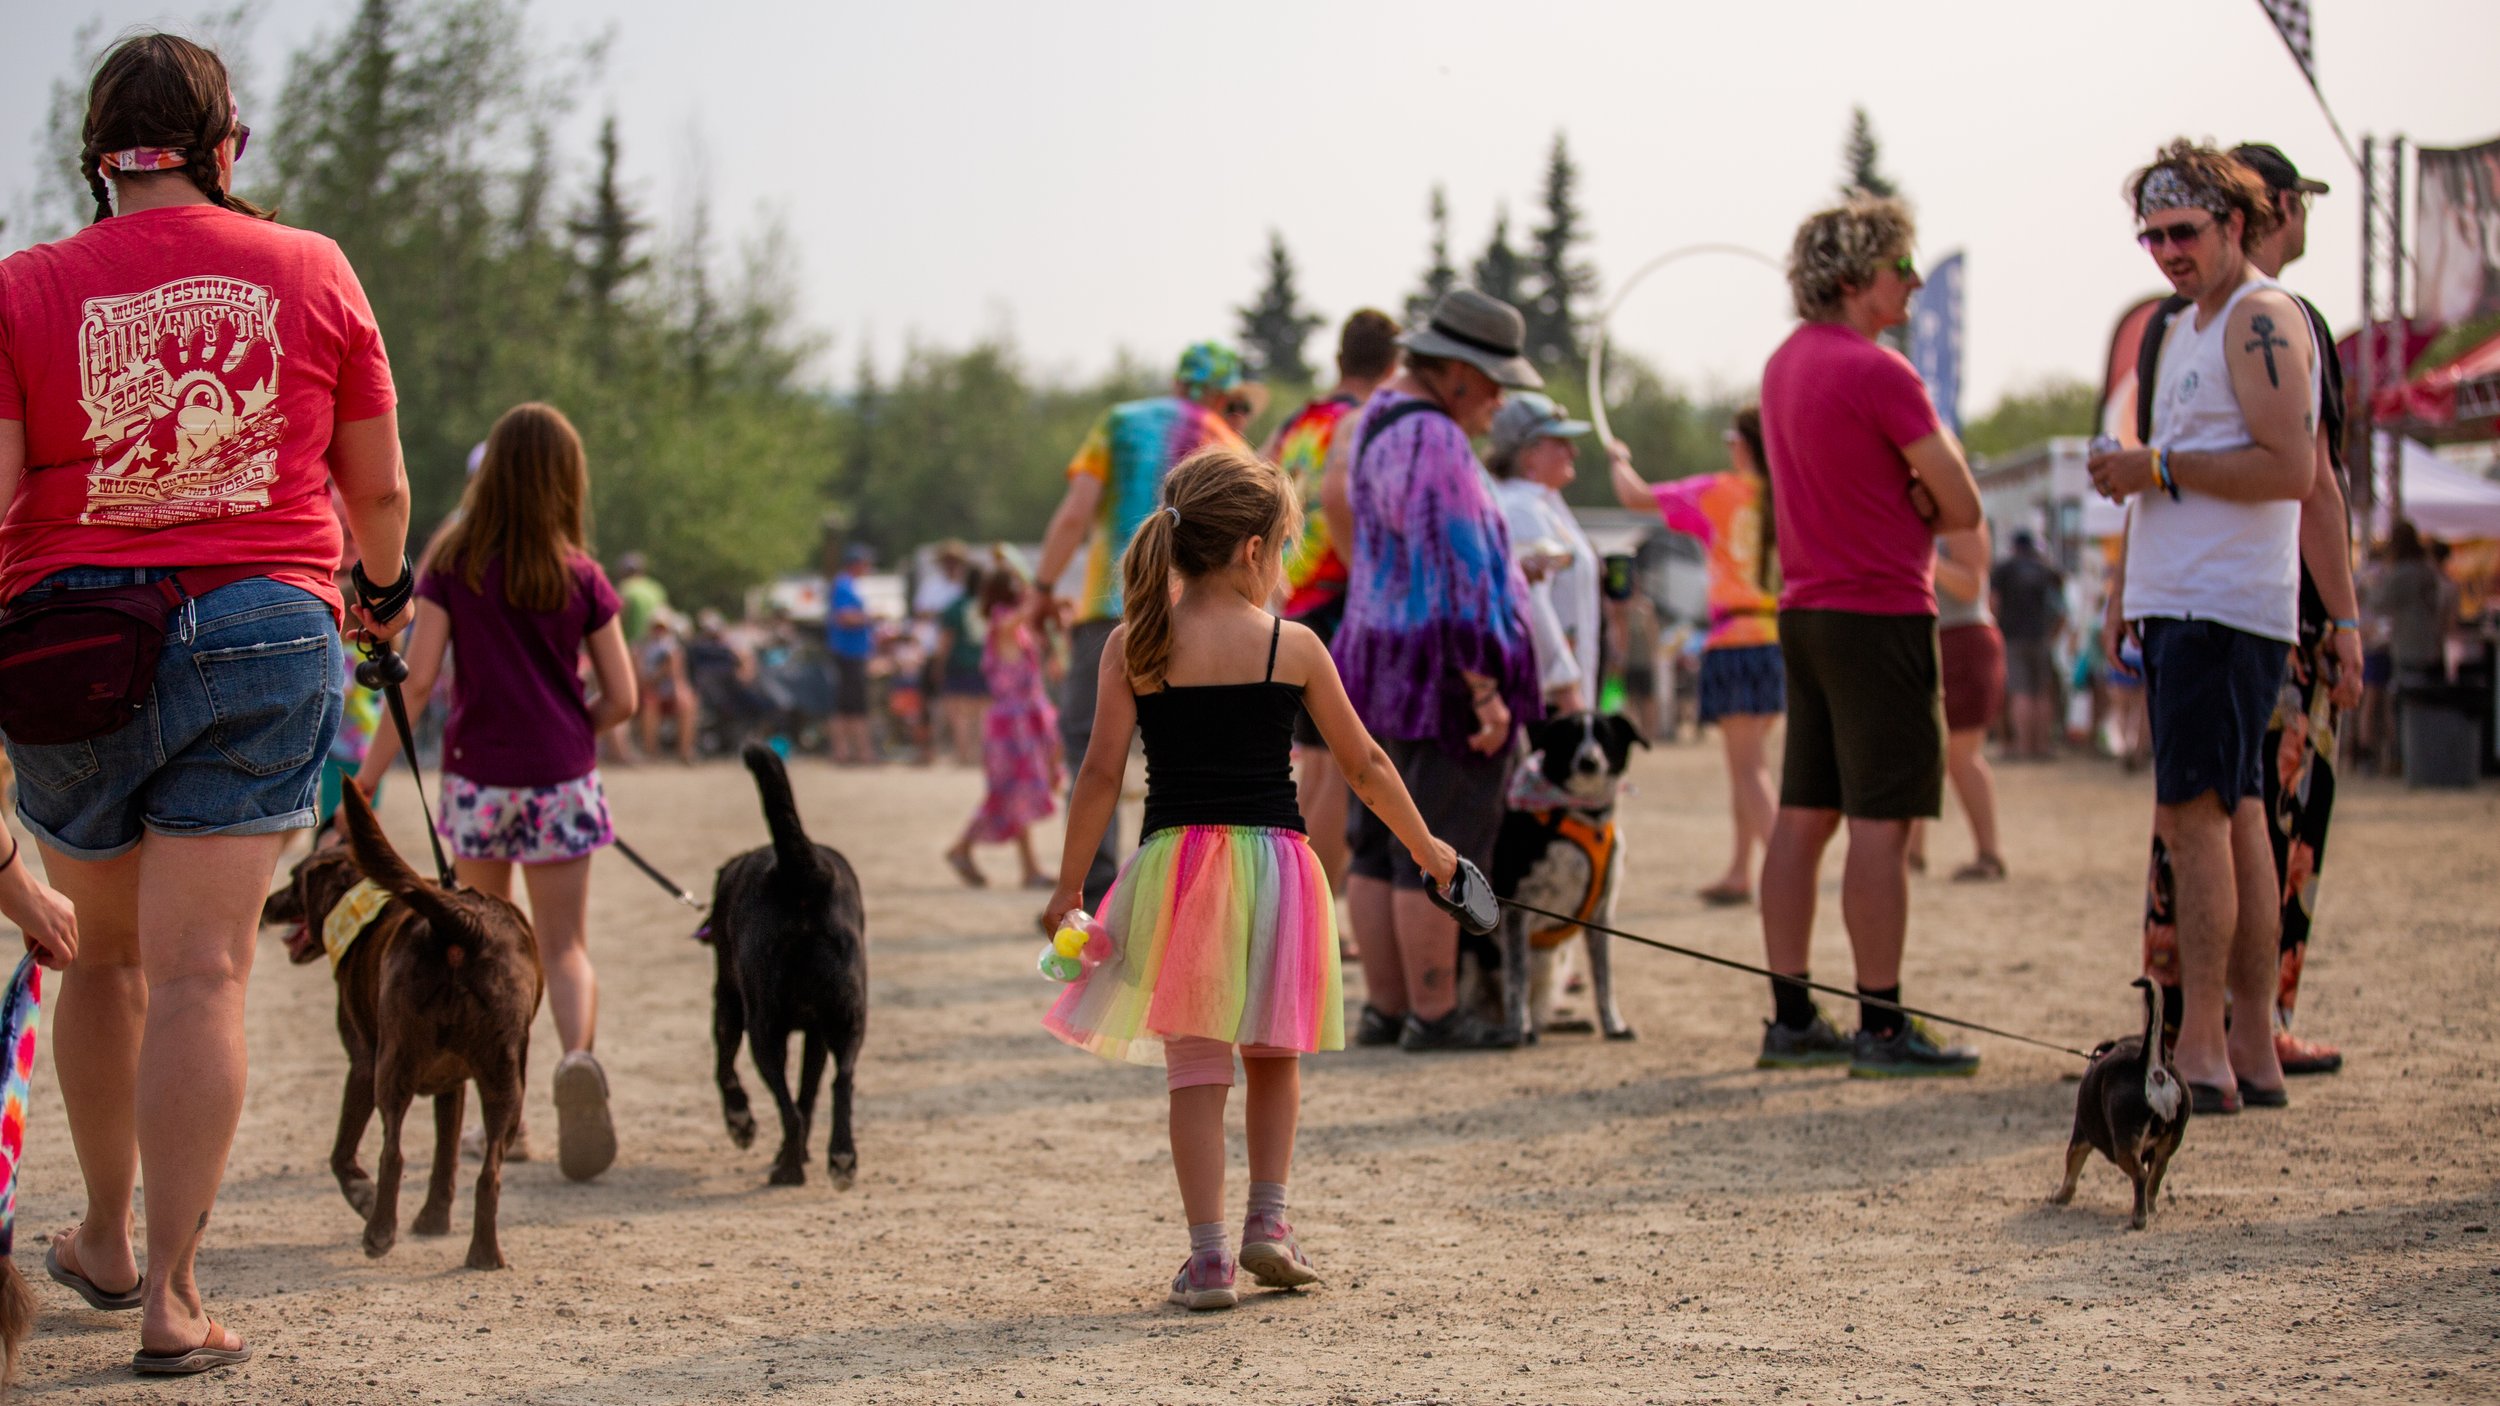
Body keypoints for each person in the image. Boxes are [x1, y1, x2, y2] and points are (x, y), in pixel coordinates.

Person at [0, 32, 410, 1374]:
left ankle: (109, 1234)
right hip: (265, 624)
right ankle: (173, 1300)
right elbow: (385, 496)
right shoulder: (312, 267)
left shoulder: (24, 289)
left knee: (101, 955)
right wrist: (389, 597)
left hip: (73, 645)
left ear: (97, 151)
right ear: (226, 145)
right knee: (203, 971)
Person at [1041, 445, 1461, 1312]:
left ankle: (1207, 1261)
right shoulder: (1293, 645)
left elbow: (1096, 777)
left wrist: (1069, 887)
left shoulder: (1136, 644)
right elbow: (1366, 763)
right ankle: (1269, 1224)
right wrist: (1429, 851)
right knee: (1275, 1056)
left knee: (1196, 1069)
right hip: (1277, 869)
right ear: (1252, 551)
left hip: (1176, 869)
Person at [2089, 140, 2355, 1114]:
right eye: (2151, 234)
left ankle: (2204, 1040)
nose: (2165, 250)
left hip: (2219, 609)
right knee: (2235, 814)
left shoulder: (2259, 320)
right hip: (2185, 602)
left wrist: (2155, 470)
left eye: (2183, 231)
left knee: (2200, 823)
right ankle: (2245, 1039)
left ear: (2236, 223)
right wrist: (2132, 568)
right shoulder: (2194, 323)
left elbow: (2292, 470)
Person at [353, 402, 636, 1177]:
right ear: (566, 480)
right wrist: (575, 727)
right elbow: (625, 696)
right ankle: (577, 1061)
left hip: (480, 783)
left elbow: (416, 686)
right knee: (562, 946)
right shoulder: (582, 575)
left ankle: (500, 1126)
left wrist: (370, 778)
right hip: (561, 780)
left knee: (488, 954)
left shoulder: (453, 564)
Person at [1753, 194, 1985, 1077]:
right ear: (1856, 279)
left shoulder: (1782, 365)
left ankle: (1790, 1013)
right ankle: (1882, 1024)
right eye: (1899, 266)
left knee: (1803, 813)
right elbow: (1960, 506)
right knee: (1881, 824)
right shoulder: (1882, 371)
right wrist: (1920, 496)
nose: (1914, 281)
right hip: (1882, 609)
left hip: (1806, 607)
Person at [1324, 288, 1543, 1052]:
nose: (1498, 399)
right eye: (1491, 381)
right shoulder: (1440, 442)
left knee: (1380, 843)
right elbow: (1454, 574)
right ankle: (1437, 1013)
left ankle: (1387, 1008)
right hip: (1440, 671)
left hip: (1378, 654)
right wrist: (1483, 689)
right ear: (1454, 372)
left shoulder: (1372, 422)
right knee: (1441, 839)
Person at [1031, 342, 1249, 908]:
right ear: (1224, 395)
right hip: (1191, 612)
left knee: (1090, 747)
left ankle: (1097, 886)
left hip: (1108, 608)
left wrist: (1041, 587)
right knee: (1193, 746)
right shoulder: (1224, 440)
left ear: (1179, 381)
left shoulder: (1118, 422)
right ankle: (1191, 886)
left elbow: (1076, 514)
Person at [1613, 406, 1783, 905]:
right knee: (1747, 766)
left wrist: (1619, 458)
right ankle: (1740, 871)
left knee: (1748, 770)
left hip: (1733, 642)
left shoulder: (1718, 492)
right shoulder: (1788, 496)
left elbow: (1634, 496)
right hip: (1774, 639)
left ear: (1742, 445)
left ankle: (1781, 867)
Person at [1268, 310, 1401, 894]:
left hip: (1295, 597)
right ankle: (1312, 906)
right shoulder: (1364, 421)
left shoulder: (1304, 419)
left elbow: (1260, 473)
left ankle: (1303, 901)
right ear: (1393, 365)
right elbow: (1344, 496)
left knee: (1315, 765)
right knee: (1339, 769)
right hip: (1344, 597)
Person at [945, 563, 1061, 888]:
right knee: (1011, 794)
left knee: (1012, 795)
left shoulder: (1014, 627)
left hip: (1021, 721)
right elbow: (1020, 617)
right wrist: (1041, 588)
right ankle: (1023, 867)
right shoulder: (1002, 621)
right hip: (1011, 725)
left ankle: (971, 851)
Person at [1488, 392, 1603, 716]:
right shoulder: (1521, 508)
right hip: (1546, 699)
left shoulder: (1543, 504)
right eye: (1559, 442)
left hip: (1555, 692)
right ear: (1528, 454)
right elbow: (1534, 603)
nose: (1573, 451)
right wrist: (1566, 688)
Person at [1915, 522, 2007, 880]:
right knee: (1920, 751)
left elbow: (1970, 587)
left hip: (1965, 640)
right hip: (1933, 639)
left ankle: (1989, 853)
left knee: (1961, 755)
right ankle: (1911, 853)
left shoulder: (1961, 517)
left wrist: (1922, 556)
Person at [1988, 530, 2066, 761]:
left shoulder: (2004, 569)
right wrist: (2052, 635)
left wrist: (1995, 630)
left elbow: (1993, 603)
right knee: (2041, 692)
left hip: (2012, 637)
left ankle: (2023, 746)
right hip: (2041, 637)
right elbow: (2060, 609)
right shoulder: (2044, 569)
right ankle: (2042, 745)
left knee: (2020, 691)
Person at [931, 547, 989, 767]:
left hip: (959, 663)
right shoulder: (991, 607)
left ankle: (964, 755)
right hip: (984, 664)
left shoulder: (955, 607)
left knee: (960, 715)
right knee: (982, 714)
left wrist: (938, 665)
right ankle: (979, 756)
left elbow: (945, 642)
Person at [611, 551, 668, 761]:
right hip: (657, 652)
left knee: (621, 699)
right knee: (649, 699)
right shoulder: (655, 588)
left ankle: (621, 753)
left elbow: (616, 620)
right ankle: (650, 748)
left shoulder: (626, 589)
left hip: (631, 651)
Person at [825, 544, 878, 765]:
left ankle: (853, 752)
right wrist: (871, 617)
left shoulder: (847, 585)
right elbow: (845, 617)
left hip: (852, 653)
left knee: (850, 705)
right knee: (851, 705)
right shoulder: (844, 585)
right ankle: (853, 752)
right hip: (848, 653)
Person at [634, 612, 697, 765]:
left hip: (668, 693)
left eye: (662, 628)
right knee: (650, 705)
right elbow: (641, 679)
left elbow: (678, 677)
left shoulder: (674, 649)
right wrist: (662, 672)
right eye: (656, 627)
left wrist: (680, 693)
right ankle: (651, 752)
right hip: (649, 693)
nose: (659, 631)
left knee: (688, 704)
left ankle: (684, 751)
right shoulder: (640, 649)